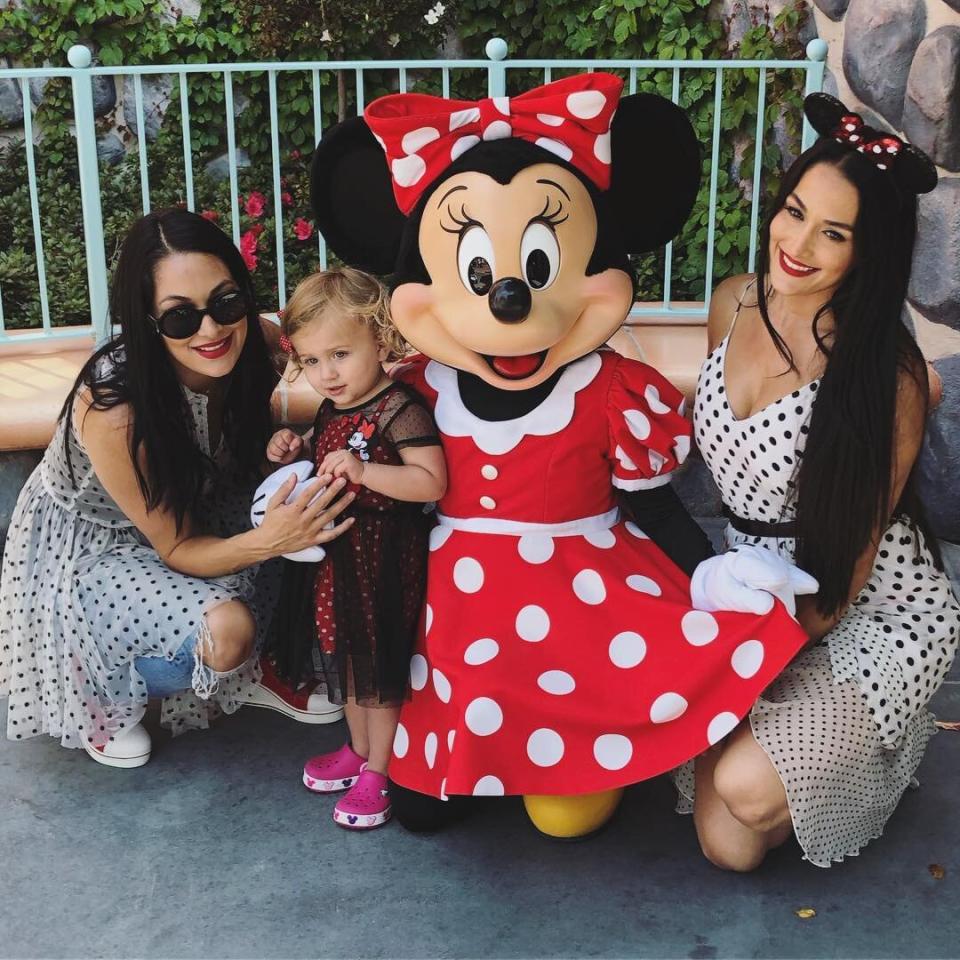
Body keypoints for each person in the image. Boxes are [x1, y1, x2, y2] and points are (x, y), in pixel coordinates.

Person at [308, 74, 815, 839]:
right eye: (478, 275)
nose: (509, 301)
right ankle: (462, 757)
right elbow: (353, 435)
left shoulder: (611, 390)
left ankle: (568, 757)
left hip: (582, 601)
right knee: (420, 813)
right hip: (449, 617)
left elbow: (649, 501)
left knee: (562, 818)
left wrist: (708, 571)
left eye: (537, 266)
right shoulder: (415, 387)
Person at [681, 93, 960, 869]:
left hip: (860, 609)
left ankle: (885, 745)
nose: (797, 244)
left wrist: (735, 676)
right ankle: (807, 751)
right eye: (794, 212)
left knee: (740, 794)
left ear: (865, 252)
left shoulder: (886, 375)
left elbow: (851, 567)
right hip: (748, 590)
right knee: (728, 844)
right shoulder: (732, 302)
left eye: (832, 233)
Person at [0, 209, 354, 768]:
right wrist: (273, 539)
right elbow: (179, 548)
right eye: (180, 318)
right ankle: (98, 688)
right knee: (227, 628)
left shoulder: (255, 341)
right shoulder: (115, 408)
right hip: (101, 547)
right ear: (146, 322)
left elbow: (350, 340)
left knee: (313, 492)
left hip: (197, 500)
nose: (211, 330)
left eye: (226, 303)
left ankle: (262, 668)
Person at [265, 267, 446, 830]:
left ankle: (381, 769)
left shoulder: (399, 408)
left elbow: (431, 482)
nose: (327, 374)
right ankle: (359, 749)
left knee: (381, 664)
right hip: (341, 559)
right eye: (313, 361)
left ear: (381, 337)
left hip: (386, 557)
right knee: (344, 655)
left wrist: (366, 471)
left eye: (340, 354)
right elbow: (328, 463)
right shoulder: (331, 410)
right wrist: (293, 448)